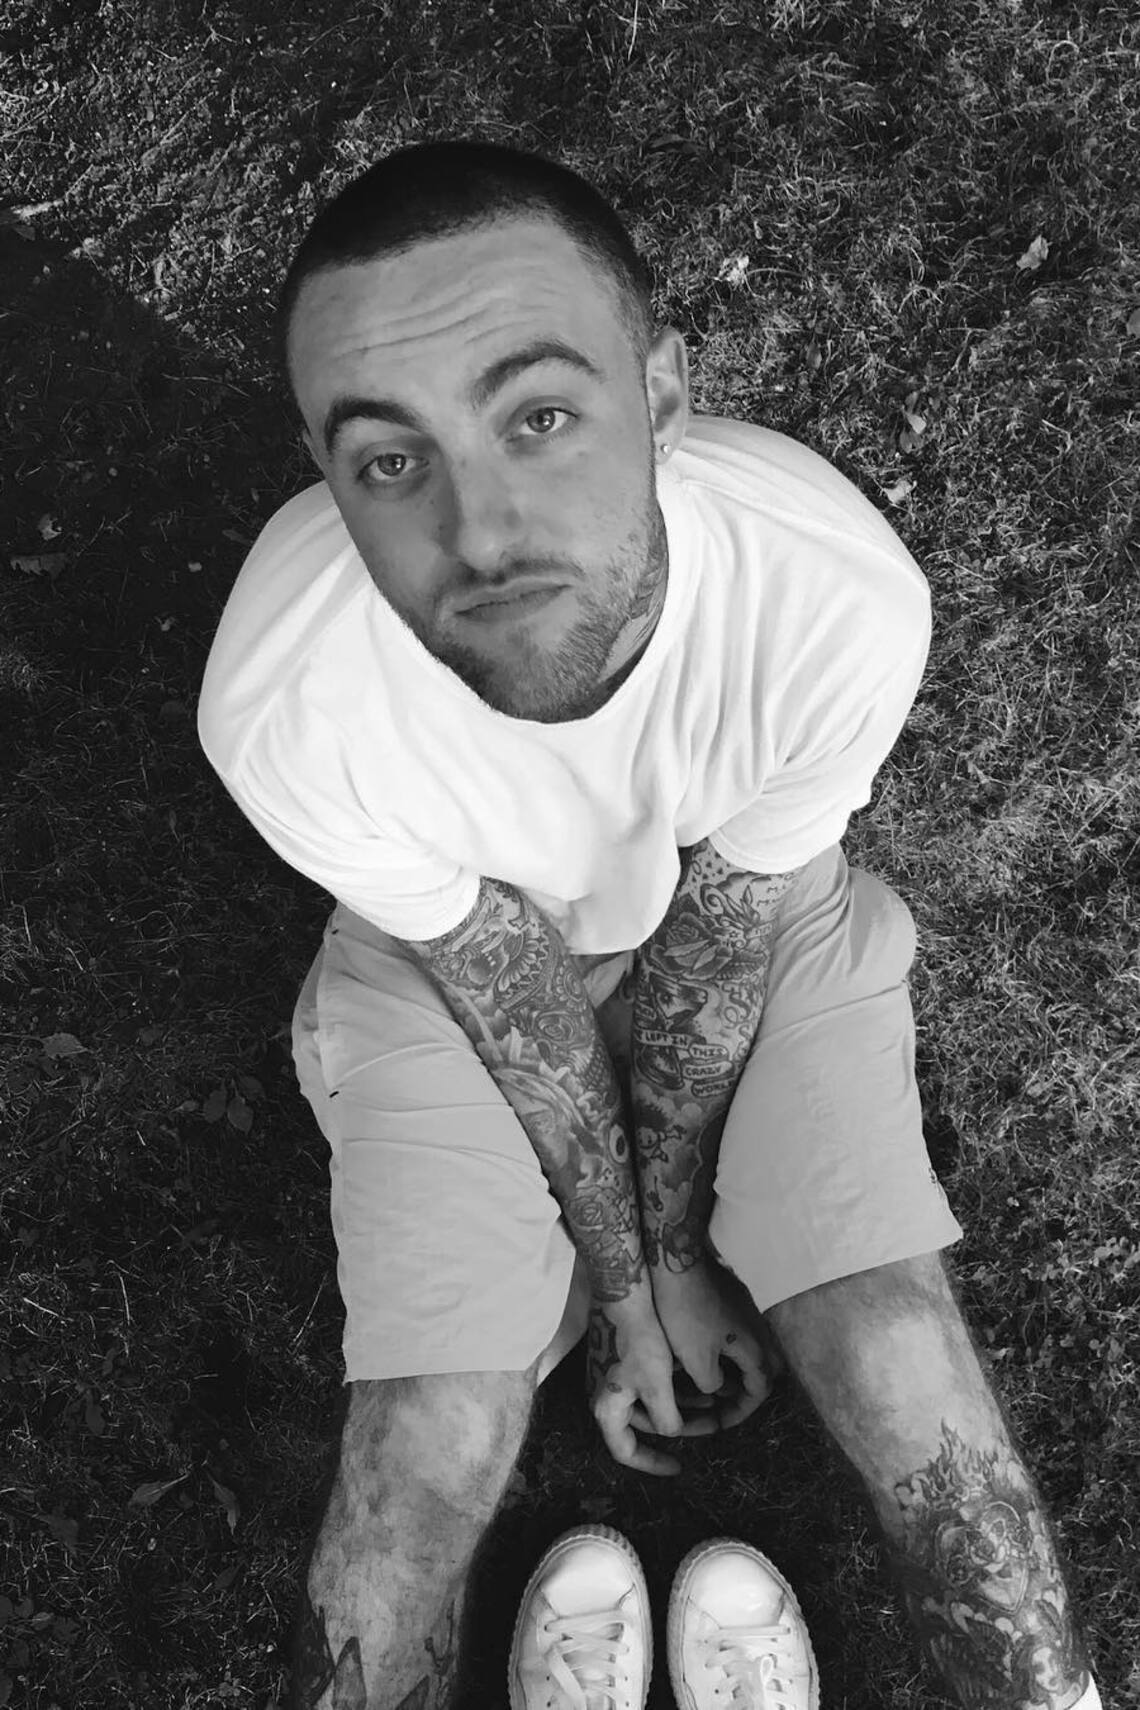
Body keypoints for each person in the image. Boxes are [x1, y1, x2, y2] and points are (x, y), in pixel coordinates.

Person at [196, 139, 1102, 1710]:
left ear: (666, 392)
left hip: (751, 913)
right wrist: (631, 1289)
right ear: (323, 474)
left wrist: (672, 1253)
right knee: (425, 1440)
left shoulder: (834, 595)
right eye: (390, 461)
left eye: (538, 418)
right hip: (439, 967)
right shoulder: (284, 702)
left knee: (898, 1352)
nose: (481, 532)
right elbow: (492, 971)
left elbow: (728, 933)